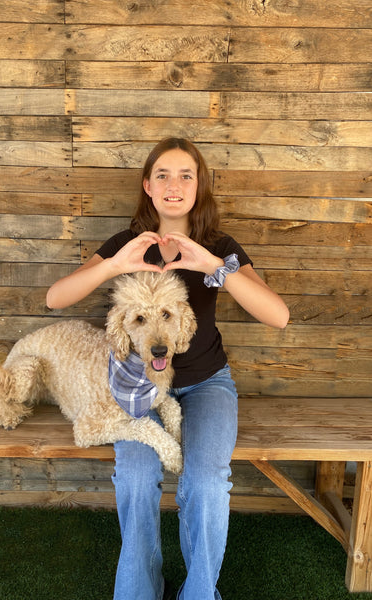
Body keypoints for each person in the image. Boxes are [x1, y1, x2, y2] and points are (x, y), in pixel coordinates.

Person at [46, 138, 289, 600]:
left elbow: (277, 315)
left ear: (199, 187)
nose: (173, 185)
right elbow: (55, 298)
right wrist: (114, 264)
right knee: (135, 476)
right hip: (137, 388)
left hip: (205, 384)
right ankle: (140, 590)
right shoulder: (126, 243)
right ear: (147, 186)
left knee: (207, 481)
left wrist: (214, 265)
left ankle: (199, 592)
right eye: (163, 175)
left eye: (185, 175)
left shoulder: (221, 246)